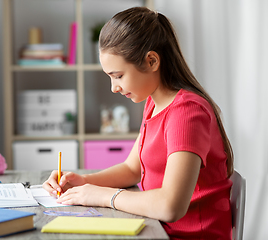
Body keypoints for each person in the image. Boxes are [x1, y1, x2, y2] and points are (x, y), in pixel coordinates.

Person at [43, 7, 234, 240]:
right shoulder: (154, 104)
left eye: (118, 76)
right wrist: (83, 183)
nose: (114, 87)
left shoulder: (187, 113)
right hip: (158, 229)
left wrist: (102, 196)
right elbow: (132, 169)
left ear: (152, 61)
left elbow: (170, 206)